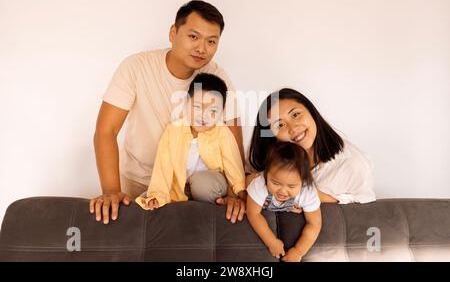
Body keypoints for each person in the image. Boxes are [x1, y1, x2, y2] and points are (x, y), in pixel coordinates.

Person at [90, 0, 246, 224]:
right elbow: (106, 130)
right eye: (193, 37)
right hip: (142, 182)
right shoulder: (137, 67)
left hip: (199, 190)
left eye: (211, 41)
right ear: (173, 33)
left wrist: (235, 195)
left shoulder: (216, 77)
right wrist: (111, 191)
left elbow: (232, 139)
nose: (202, 48)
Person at [135, 73, 246, 210]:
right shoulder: (173, 130)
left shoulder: (222, 131)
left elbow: (232, 163)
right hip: (181, 186)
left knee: (202, 184)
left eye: (213, 111)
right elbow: (163, 166)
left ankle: (210, 207)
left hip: (210, 183)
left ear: (221, 112)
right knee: (148, 198)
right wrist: (157, 195)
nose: (203, 116)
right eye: (198, 107)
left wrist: (240, 191)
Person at [248, 88, 376, 204]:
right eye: (280, 125)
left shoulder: (352, 164)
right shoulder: (274, 156)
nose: (293, 128)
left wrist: (320, 197)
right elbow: (248, 179)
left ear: (311, 111)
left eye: (295, 115)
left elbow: (366, 204)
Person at [247, 141, 322, 262]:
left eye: (291, 186)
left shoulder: (307, 191)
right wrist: (271, 241)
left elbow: (314, 223)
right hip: (252, 182)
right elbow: (253, 213)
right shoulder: (260, 183)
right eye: (275, 183)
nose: (283, 191)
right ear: (266, 174)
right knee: (247, 184)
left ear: (302, 182)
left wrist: (298, 251)